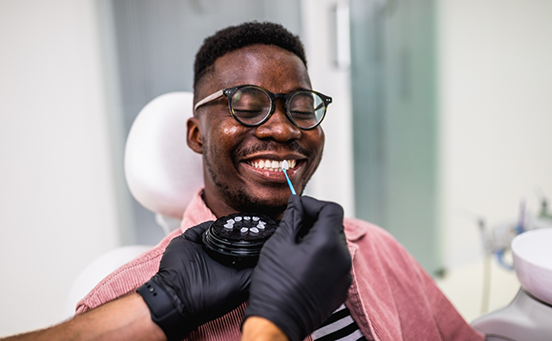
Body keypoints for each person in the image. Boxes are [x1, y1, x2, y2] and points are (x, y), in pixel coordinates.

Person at [2, 22, 485, 341]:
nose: (282, 128)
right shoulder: (122, 302)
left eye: (301, 108)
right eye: (247, 106)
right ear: (196, 134)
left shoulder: (372, 245)